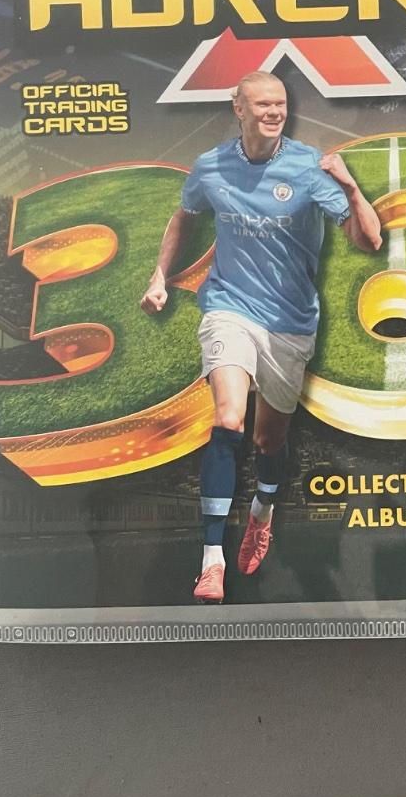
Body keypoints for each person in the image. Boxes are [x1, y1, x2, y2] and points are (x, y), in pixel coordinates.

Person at [140, 72, 382, 602]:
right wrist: (160, 276)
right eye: (263, 104)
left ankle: (263, 512)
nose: (274, 112)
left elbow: (368, 240)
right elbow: (184, 217)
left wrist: (349, 185)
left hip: (290, 323)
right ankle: (212, 560)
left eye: (280, 103)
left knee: (268, 440)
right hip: (229, 307)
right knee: (228, 419)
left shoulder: (310, 166)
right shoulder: (210, 166)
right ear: (239, 109)